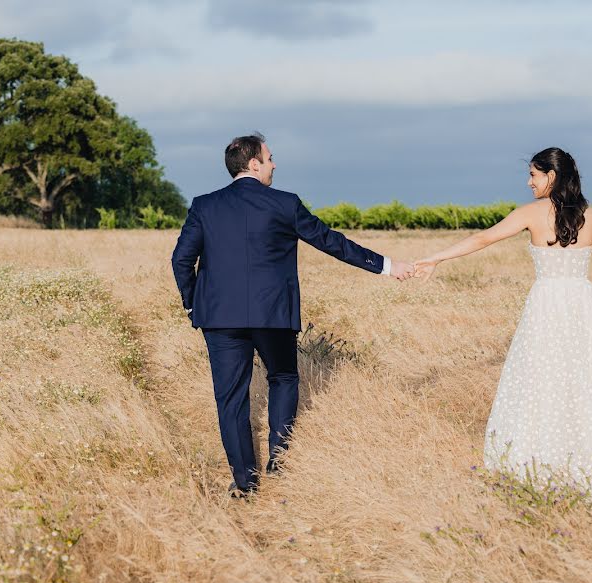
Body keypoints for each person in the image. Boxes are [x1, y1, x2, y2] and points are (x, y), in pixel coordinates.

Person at [414, 147, 592, 519]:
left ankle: (543, 460)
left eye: (534, 175)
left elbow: (483, 239)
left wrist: (435, 257)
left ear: (552, 176)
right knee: (583, 384)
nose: (528, 182)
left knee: (540, 381)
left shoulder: (530, 214)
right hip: (583, 306)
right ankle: (585, 457)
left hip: (548, 305)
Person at [171, 133, 415, 498]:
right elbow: (332, 242)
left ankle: (245, 482)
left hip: (219, 317)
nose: (273, 165)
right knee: (283, 376)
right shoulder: (284, 204)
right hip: (273, 314)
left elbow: (180, 259)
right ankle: (279, 459)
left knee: (231, 398)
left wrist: (194, 304)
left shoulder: (204, 206)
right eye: (269, 159)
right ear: (253, 164)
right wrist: (386, 266)